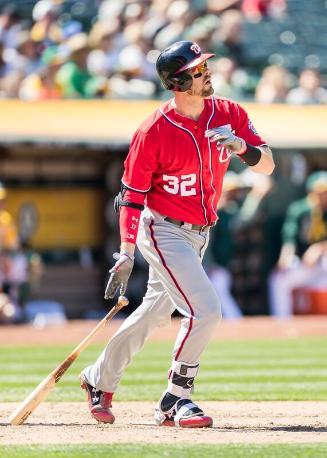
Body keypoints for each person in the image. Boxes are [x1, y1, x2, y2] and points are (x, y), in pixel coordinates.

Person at [80, 40, 274, 428]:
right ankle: (176, 399)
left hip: (200, 233)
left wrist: (241, 148)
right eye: (199, 70)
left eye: (205, 67)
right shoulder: (153, 129)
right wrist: (126, 250)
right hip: (163, 229)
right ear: (178, 82)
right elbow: (131, 196)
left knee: (153, 313)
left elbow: (267, 165)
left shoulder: (229, 111)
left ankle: (97, 379)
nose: (208, 73)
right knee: (205, 310)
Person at [269, 171, 327, 316]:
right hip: (305, 265)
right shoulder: (300, 209)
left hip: (323, 266)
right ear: (311, 191)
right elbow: (290, 236)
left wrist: (320, 247)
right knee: (278, 279)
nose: (323, 195)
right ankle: (282, 324)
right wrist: (285, 257)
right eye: (320, 191)